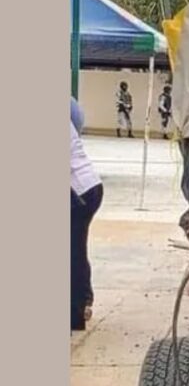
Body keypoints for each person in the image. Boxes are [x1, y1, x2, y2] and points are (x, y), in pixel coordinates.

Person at [71, 111, 104, 331]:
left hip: (79, 191)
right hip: (88, 187)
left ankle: (75, 314)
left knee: (72, 253)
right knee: (75, 251)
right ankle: (82, 303)